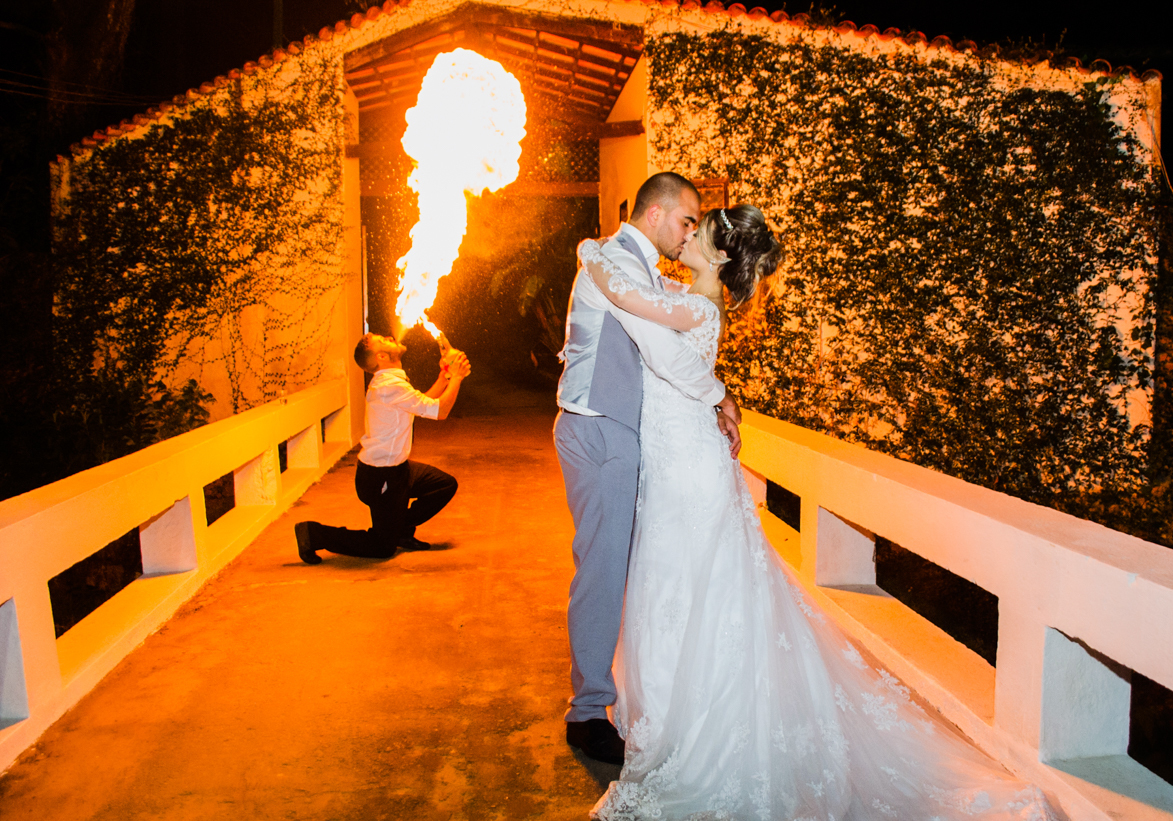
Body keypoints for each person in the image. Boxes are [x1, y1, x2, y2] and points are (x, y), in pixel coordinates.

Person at [575, 206, 1063, 820]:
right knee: (670, 585)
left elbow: (643, 323)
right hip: (674, 457)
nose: (686, 236)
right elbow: (645, 301)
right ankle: (671, 716)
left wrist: (590, 254)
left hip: (689, 470)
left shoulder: (697, 306)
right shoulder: (682, 292)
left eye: (696, 232)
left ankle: (696, 728)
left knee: (692, 582)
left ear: (721, 256)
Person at [554, 172, 743, 766]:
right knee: (604, 569)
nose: (690, 233)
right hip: (604, 428)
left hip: (616, 428)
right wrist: (715, 393)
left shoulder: (631, 266)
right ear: (657, 214)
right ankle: (587, 711)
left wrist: (719, 390)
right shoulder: (615, 263)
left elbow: (675, 338)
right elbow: (661, 351)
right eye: (687, 220)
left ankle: (627, 690)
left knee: (628, 566)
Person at [294, 332, 470, 564]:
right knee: (381, 547)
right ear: (382, 356)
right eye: (383, 340)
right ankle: (314, 534)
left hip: (398, 471)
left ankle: (401, 531)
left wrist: (445, 377)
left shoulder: (393, 384)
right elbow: (440, 411)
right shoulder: (390, 386)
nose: (390, 337)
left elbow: (421, 403)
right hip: (380, 477)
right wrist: (456, 378)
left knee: (443, 485)